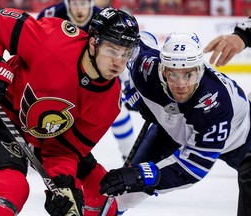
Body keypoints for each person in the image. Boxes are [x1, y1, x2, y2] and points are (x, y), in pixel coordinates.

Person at [0, 6, 140, 216]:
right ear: (93, 44)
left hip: (46, 133)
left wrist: (64, 183)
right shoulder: (53, 41)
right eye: (112, 50)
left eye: (126, 54)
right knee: (11, 186)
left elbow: (65, 149)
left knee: (101, 193)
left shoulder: (109, 101)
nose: (119, 63)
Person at [99, 32, 251, 216]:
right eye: (172, 74)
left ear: (200, 70)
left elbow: (193, 168)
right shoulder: (146, 65)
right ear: (162, 69)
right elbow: (139, 38)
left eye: (189, 75)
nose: (181, 85)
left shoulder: (214, 103)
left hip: (242, 140)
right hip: (172, 129)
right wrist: (133, 89)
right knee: (123, 194)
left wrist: (142, 176)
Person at [38, 0, 138, 161]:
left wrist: (128, 85)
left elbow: (122, 53)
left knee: (118, 113)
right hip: (61, 76)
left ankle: (131, 157)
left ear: (91, 4)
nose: (79, 9)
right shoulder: (51, 15)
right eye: (75, 4)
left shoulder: (105, 19)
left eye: (83, 4)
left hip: (98, 77)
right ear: (67, 3)